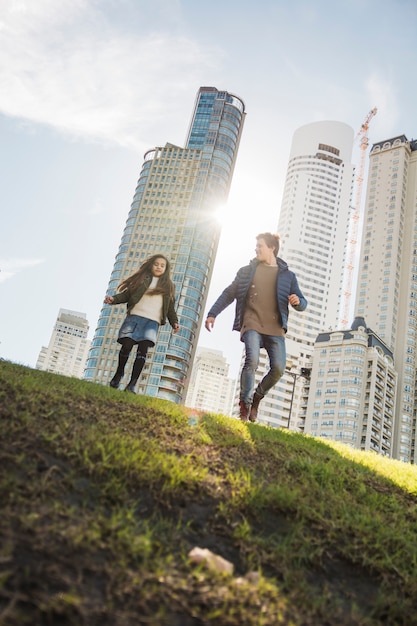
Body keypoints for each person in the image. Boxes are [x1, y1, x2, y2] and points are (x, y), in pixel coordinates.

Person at [205, 233, 307, 422]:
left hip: (275, 327)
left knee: (278, 368)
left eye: (260, 246)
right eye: (256, 246)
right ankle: (245, 406)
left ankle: (257, 398)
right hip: (251, 321)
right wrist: (213, 313)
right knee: (251, 361)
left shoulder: (288, 276)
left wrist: (297, 301)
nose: (256, 249)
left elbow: (302, 303)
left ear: (272, 248)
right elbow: (229, 293)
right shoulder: (246, 271)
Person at [104, 254, 179, 393]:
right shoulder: (142, 279)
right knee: (127, 345)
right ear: (151, 265)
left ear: (166, 269)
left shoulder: (169, 286)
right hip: (134, 317)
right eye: (156, 264)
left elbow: (170, 308)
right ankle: (119, 374)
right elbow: (126, 295)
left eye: (162, 265)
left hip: (152, 321)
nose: (159, 267)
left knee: (143, 349)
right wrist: (113, 299)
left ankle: (132, 384)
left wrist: (174, 322)